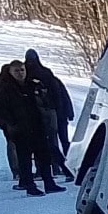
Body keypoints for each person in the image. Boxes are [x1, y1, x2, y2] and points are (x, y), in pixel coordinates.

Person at [0, 59, 64, 195]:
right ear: (10, 72)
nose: (20, 73)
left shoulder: (31, 85)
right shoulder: (5, 88)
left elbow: (43, 103)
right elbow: (1, 110)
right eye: (16, 71)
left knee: (44, 156)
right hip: (20, 130)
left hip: (37, 126)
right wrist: (13, 124)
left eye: (22, 70)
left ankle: (49, 183)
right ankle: (29, 186)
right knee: (24, 159)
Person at [24, 48, 76, 180]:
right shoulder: (48, 75)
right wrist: (68, 112)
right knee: (59, 142)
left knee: (48, 143)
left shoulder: (29, 77)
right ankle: (68, 167)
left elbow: (60, 95)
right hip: (58, 114)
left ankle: (55, 169)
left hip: (47, 115)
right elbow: (62, 95)